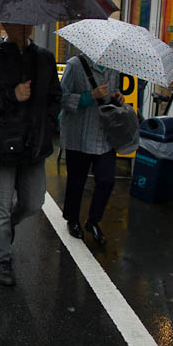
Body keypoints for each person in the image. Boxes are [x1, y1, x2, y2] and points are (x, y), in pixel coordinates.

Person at [0, 23, 61, 286]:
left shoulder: (44, 58)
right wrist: (12, 95)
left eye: (28, 23)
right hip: (0, 145)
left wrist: (47, 124)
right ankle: (1, 259)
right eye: (17, 23)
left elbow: (55, 97)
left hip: (34, 146)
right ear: (5, 25)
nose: (24, 28)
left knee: (33, 202)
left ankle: (3, 228)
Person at [60, 54, 123, 245]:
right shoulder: (74, 65)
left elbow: (115, 93)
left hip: (104, 135)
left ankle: (93, 220)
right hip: (78, 134)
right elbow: (61, 97)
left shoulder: (113, 67)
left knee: (106, 179)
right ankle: (72, 220)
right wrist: (90, 96)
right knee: (76, 180)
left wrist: (118, 97)